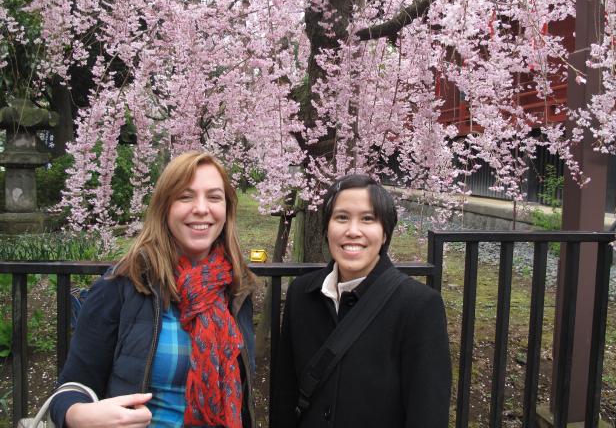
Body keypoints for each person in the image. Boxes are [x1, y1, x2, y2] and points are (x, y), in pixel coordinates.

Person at [50, 151, 257, 428]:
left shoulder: (235, 289)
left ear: (227, 209)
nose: (201, 208)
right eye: (185, 196)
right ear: (165, 207)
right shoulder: (122, 284)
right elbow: (71, 388)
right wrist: (79, 415)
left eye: (214, 197)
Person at [271, 174, 451, 428]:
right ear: (326, 228)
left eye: (368, 219)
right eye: (341, 217)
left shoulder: (418, 306)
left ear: (385, 233)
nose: (352, 231)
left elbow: (427, 412)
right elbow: (285, 394)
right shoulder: (301, 294)